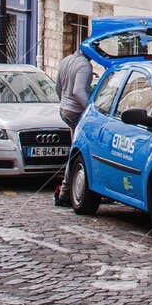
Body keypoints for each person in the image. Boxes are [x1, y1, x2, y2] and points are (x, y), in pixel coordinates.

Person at [52, 47, 97, 206]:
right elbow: (78, 91)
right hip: (76, 111)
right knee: (78, 152)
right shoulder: (84, 65)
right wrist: (90, 111)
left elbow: (58, 87)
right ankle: (67, 191)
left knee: (76, 151)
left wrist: (63, 102)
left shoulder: (66, 61)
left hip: (65, 109)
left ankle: (66, 191)